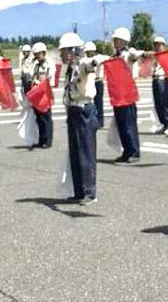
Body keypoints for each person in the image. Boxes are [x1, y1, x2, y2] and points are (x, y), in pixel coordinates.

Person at [60, 32, 104, 205]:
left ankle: (89, 192)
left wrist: (96, 61)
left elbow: (92, 63)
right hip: (73, 110)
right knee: (75, 152)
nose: (62, 55)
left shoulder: (82, 65)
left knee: (86, 152)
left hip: (84, 109)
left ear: (74, 51)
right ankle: (79, 191)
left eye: (65, 52)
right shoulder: (70, 69)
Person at [110, 27, 145, 163]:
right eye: (114, 40)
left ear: (123, 41)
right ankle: (126, 151)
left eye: (117, 40)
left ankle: (134, 152)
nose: (114, 42)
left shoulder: (128, 54)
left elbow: (137, 55)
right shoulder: (114, 56)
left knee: (129, 122)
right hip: (117, 93)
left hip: (127, 92)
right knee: (122, 124)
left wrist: (144, 54)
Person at [30, 42, 56, 148]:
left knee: (46, 116)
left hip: (46, 91)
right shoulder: (36, 64)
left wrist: (39, 83)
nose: (37, 56)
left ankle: (47, 140)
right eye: (35, 54)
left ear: (43, 53)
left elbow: (49, 78)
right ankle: (41, 139)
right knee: (39, 117)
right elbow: (31, 75)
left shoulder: (49, 63)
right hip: (37, 92)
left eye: (38, 54)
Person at [150, 36, 168, 136]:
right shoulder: (154, 56)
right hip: (156, 79)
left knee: (165, 102)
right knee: (158, 104)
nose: (157, 46)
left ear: (163, 45)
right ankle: (164, 124)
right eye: (155, 44)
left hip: (165, 79)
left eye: (159, 44)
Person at [84, 41, 106, 128]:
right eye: (87, 52)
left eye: (89, 51)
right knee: (89, 102)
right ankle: (91, 120)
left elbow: (105, 59)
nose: (88, 53)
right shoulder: (86, 60)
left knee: (98, 102)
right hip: (90, 81)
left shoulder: (99, 57)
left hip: (98, 81)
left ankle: (100, 122)